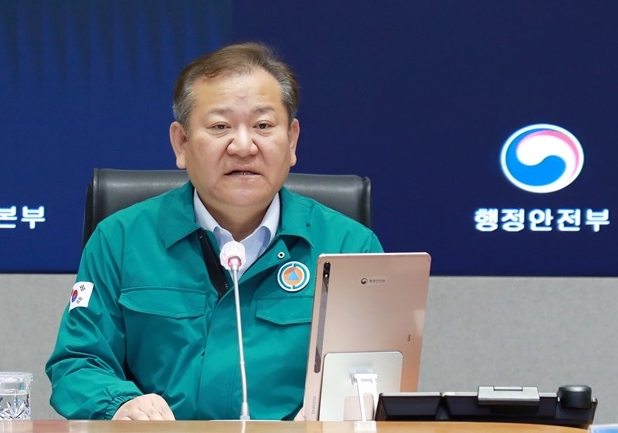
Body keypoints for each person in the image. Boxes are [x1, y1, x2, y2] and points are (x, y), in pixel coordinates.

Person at [46, 42, 382, 420]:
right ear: (181, 143)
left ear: (291, 140)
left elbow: (374, 372)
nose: (243, 146)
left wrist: (335, 408)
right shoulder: (120, 240)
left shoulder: (350, 246)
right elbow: (78, 363)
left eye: (263, 126)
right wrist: (120, 405)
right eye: (221, 126)